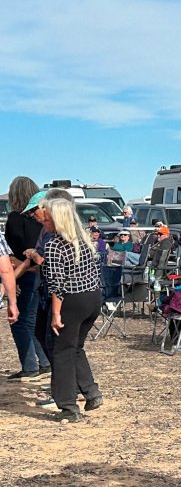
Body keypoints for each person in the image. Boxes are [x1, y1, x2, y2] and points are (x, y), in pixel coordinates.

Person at [42, 198, 104, 423]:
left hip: (72, 301)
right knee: (75, 347)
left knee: (62, 352)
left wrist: (56, 315)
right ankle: (91, 392)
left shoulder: (55, 245)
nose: (44, 220)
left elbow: (57, 285)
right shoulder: (85, 238)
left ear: (57, 219)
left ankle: (68, 407)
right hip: (92, 298)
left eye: (47, 216)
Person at [4, 177, 50, 380]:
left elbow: (12, 254)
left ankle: (30, 365)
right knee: (33, 321)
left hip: (23, 273)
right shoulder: (41, 221)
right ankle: (44, 362)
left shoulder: (15, 219)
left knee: (20, 322)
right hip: (41, 273)